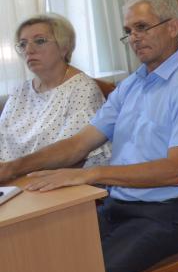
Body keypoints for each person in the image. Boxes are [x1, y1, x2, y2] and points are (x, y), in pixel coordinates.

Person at [0, 0, 178, 272]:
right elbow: (79, 143)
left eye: (142, 27)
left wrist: (91, 174)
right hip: (118, 207)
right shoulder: (132, 85)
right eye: (128, 31)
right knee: (46, 258)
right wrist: (14, 168)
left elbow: (175, 170)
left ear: (173, 27)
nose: (134, 38)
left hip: (166, 215)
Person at [1, 14, 111, 167]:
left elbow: (74, 156)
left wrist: (15, 173)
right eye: (23, 44)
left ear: (64, 47)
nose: (29, 50)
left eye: (40, 41)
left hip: (61, 178)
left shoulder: (82, 88)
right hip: (12, 177)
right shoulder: (20, 91)